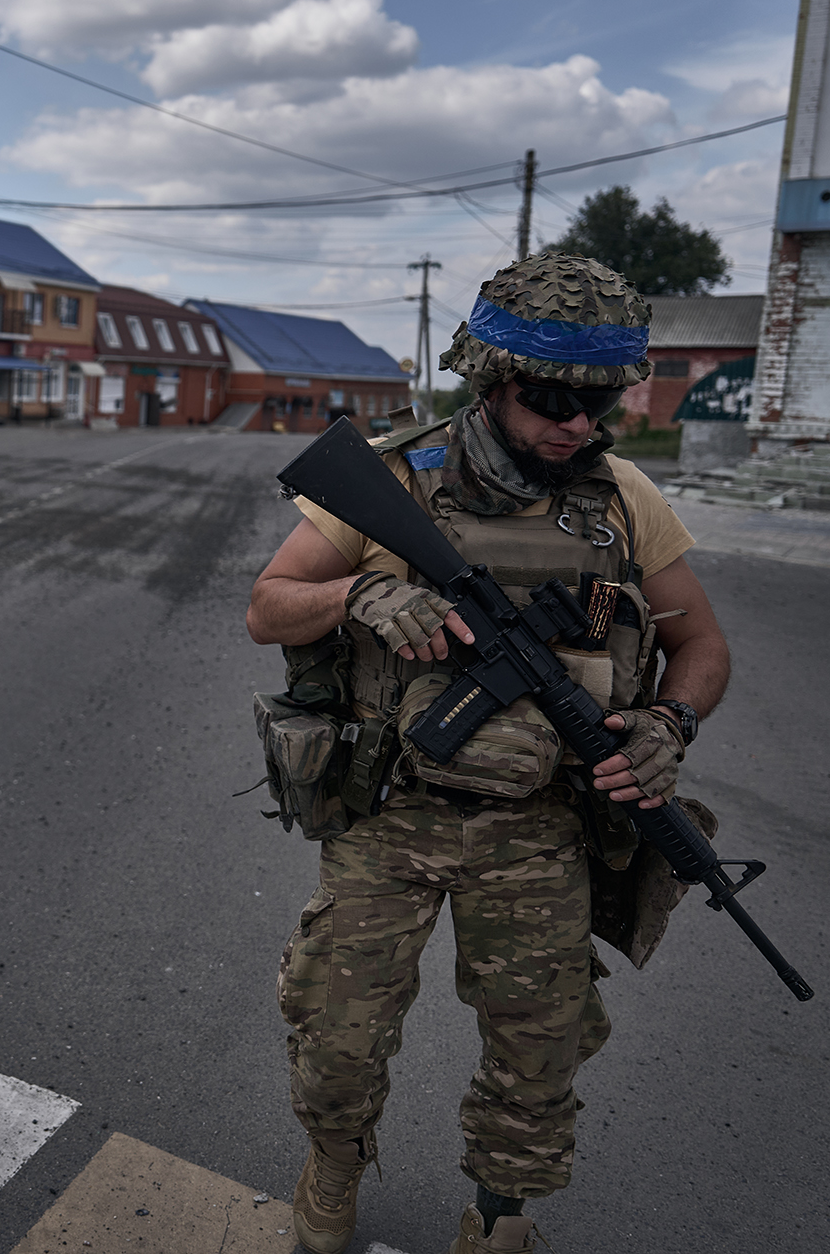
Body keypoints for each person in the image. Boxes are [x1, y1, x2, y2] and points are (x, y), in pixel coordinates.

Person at [243, 254, 729, 1254]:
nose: (578, 424)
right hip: (387, 816)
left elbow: (702, 646)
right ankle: (332, 1165)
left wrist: (666, 724)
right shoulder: (385, 478)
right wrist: (355, 595)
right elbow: (265, 607)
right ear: (494, 380)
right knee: (337, 1037)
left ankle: (500, 1219)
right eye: (555, 398)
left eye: (599, 402)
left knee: (536, 1054)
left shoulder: (620, 499)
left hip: (539, 830)